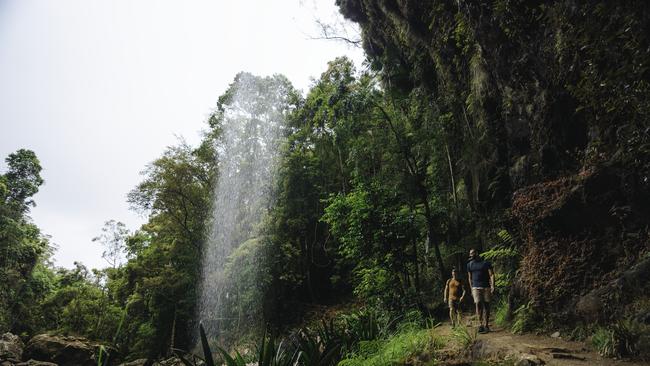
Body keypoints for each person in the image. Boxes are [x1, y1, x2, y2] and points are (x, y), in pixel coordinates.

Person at [467, 249, 495, 333]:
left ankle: (486, 325)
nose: (471, 255)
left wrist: (493, 285)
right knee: (478, 304)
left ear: (477, 253)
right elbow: (469, 277)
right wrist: (471, 288)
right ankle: (480, 325)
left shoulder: (486, 263)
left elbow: (491, 274)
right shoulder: (469, 265)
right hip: (475, 287)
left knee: (486, 305)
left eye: (473, 253)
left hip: (486, 287)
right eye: (470, 254)